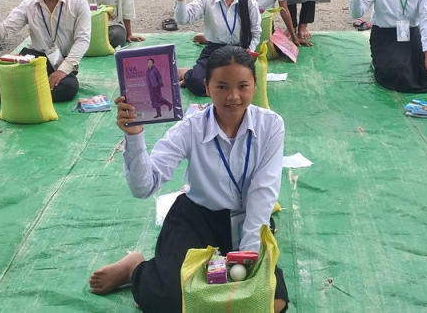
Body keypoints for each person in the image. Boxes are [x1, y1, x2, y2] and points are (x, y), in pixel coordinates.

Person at [89, 46, 289, 312]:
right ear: (206, 87)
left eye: (243, 86)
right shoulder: (189, 128)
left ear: (254, 85)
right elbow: (143, 187)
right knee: (172, 300)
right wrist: (134, 135)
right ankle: (135, 269)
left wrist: (248, 254)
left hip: (249, 218)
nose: (233, 96)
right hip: (196, 217)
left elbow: (263, 192)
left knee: (271, 303)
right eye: (221, 87)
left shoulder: (271, 125)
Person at [174, 0, 261, 96]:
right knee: (198, 84)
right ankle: (187, 74)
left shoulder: (250, 3)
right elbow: (183, 19)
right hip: (214, 51)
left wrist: (248, 53)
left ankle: (203, 79)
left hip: (240, 51)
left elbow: (255, 33)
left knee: (243, 87)